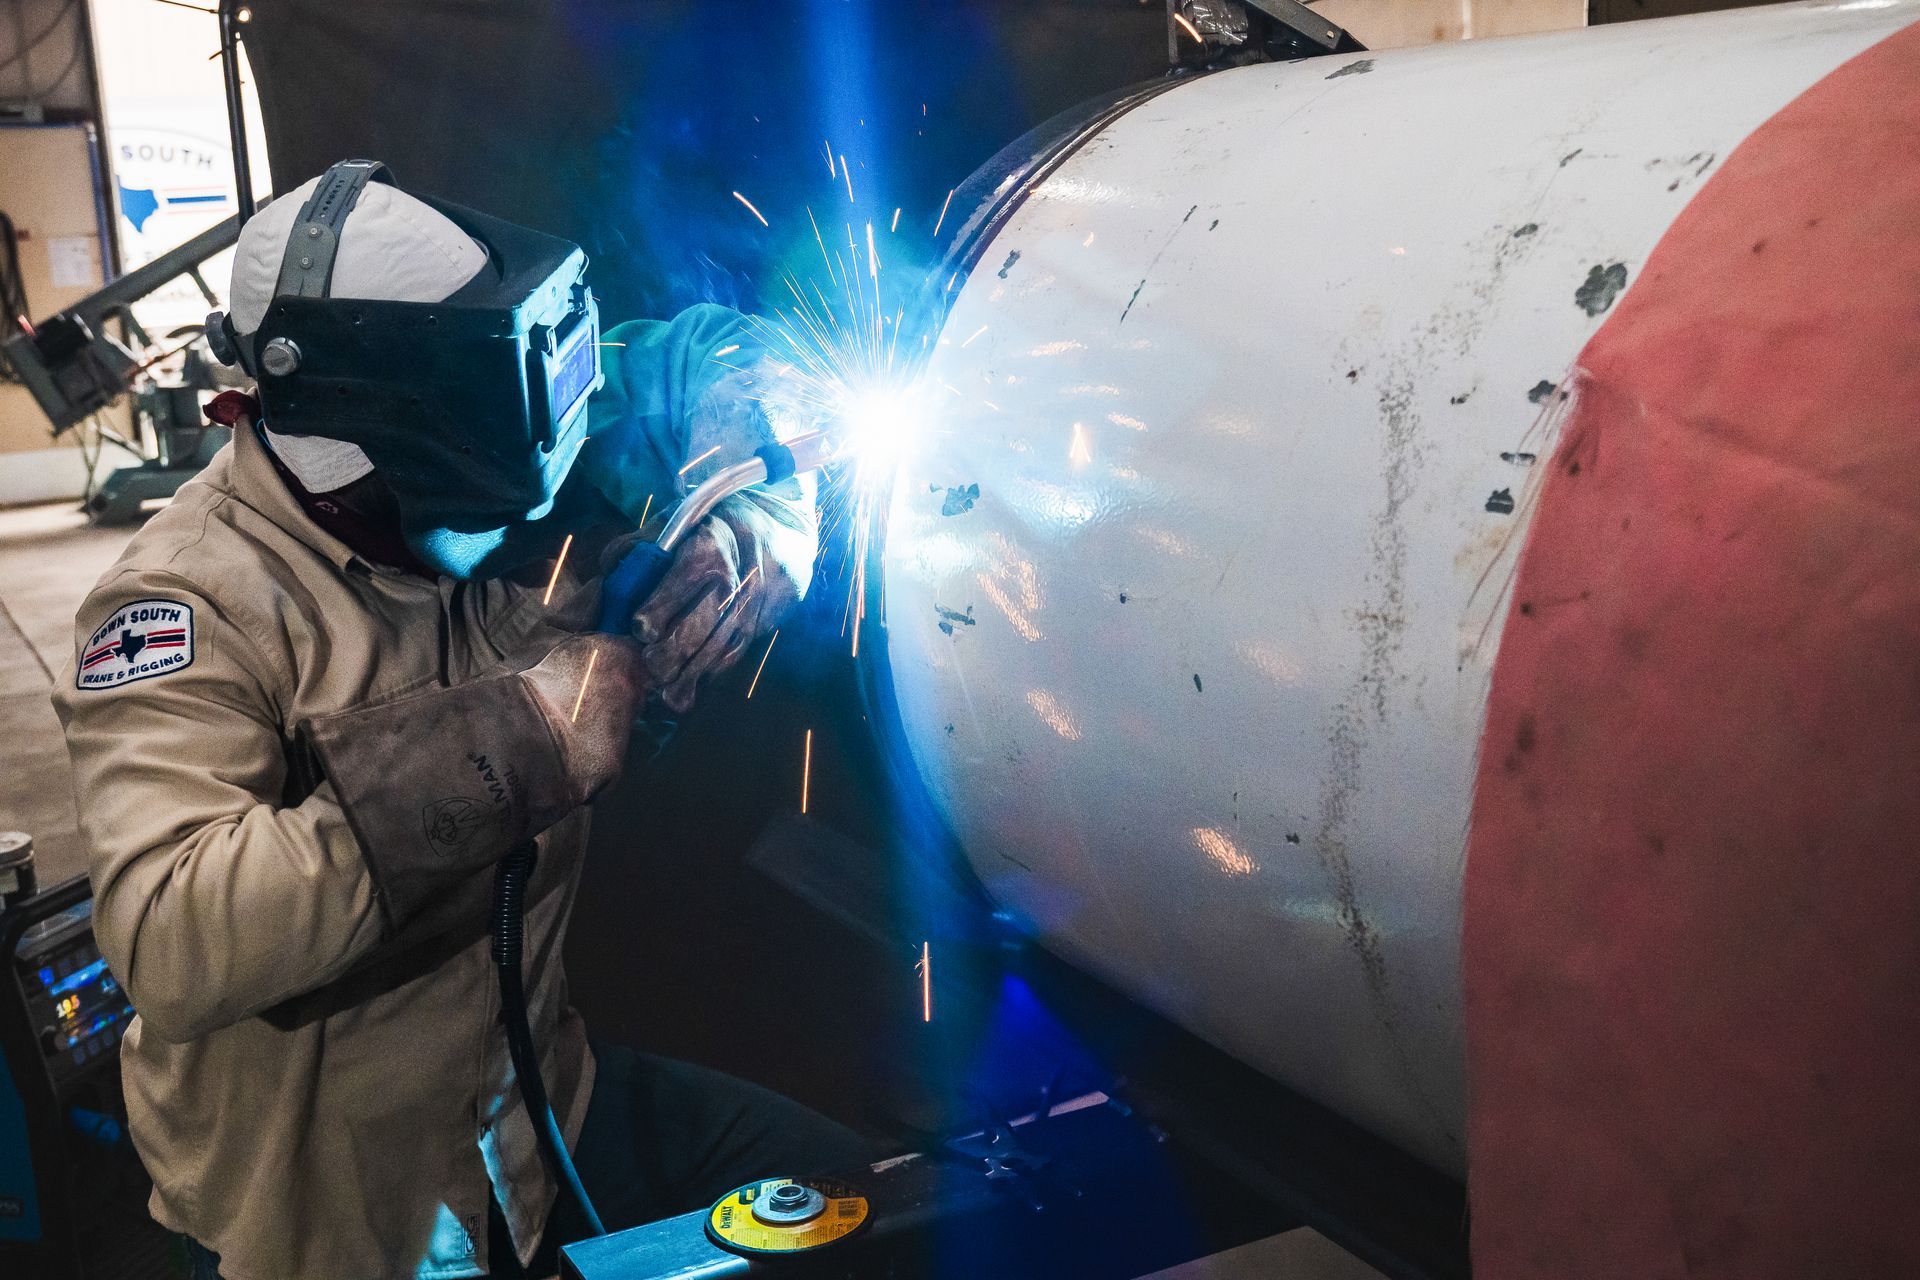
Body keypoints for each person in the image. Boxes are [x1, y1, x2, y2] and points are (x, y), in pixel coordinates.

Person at [52, 162, 870, 1280]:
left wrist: (750, 522)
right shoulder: (185, 607)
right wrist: (520, 738)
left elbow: (722, 355)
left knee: (878, 1213)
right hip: (342, 1217)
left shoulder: (504, 381)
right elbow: (169, 937)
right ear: (369, 446)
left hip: (543, 1114)